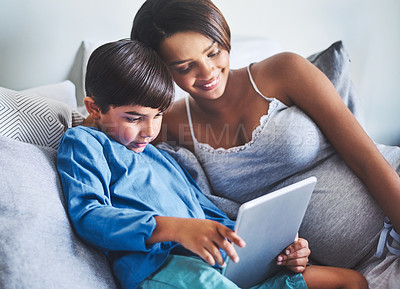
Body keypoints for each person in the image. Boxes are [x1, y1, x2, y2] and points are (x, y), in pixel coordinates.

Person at [130, 0, 400, 288]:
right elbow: (111, 123)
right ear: (161, 70)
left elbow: (367, 159)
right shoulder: (167, 123)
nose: (207, 71)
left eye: (214, 52)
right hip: (352, 270)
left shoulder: (283, 71)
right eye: (185, 67)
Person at [58, 39, 368, 289]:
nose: (150, 131)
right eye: (135, 118)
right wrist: (174, 229)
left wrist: (270, 246)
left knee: (348, 280)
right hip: (163, 267)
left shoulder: (157, 154)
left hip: (221, 263)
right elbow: (89, 216)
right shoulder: (84, 143)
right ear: (94, 107)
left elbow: (203, 210)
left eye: (158, 116)